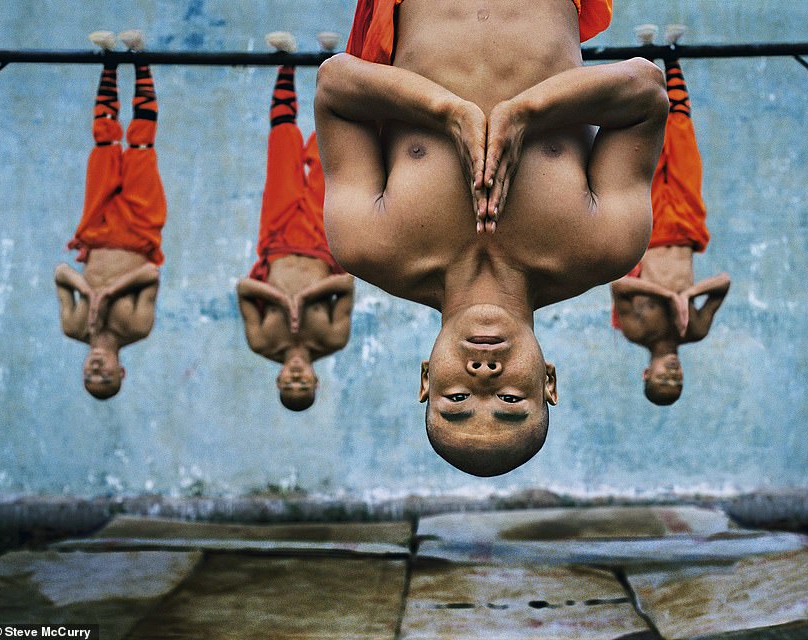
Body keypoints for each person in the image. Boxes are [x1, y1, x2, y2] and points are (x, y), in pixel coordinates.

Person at [315, 0, 668, 475]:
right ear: (548, 382)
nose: (483, 376)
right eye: (509, 399)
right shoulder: (605, 246)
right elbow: (645, 91)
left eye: (457, 398)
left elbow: (335, 84)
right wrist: (527, 112)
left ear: (425, 378)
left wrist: (445, 112)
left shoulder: (367, 244)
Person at [236, 33, 355, 412]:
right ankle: (327, 61)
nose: (297, 376)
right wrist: (304, 298)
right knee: (326, 156)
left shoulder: (262, 341)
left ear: (279, 378)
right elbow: (347, 284)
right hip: (322, 240)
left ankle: (284, 65)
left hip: (277, 238)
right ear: (315, 380)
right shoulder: (333, 339)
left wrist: (281, 299)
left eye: (290, 383)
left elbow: (242, 288)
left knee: (283, 152)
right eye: (304, 383)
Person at [610, 46, 730, 406]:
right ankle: (672, 59)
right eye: (678, 379)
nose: (673, 372)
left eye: (664, 377)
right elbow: (724, 283)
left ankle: (645, 60)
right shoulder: (694, 329)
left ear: (647, 372)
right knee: (682, 146)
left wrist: (665, 295)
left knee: (646, 148)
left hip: (648, 228)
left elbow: (619, 286)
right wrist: (688, 296)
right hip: (687, 228)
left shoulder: (636, 331)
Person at [55, 30, 165, 400]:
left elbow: (61, 273)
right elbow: (150, 274)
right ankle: (141, 58)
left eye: (90, 377)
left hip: (97, 229)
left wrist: (88, 291)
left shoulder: (73, 326)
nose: (97, 371)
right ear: (122, 371)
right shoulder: (136, 328)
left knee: (104, 143)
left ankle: (109, 62)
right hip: (139, 230)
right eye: (107, 378)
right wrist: (109, 295)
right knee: (140, 144)